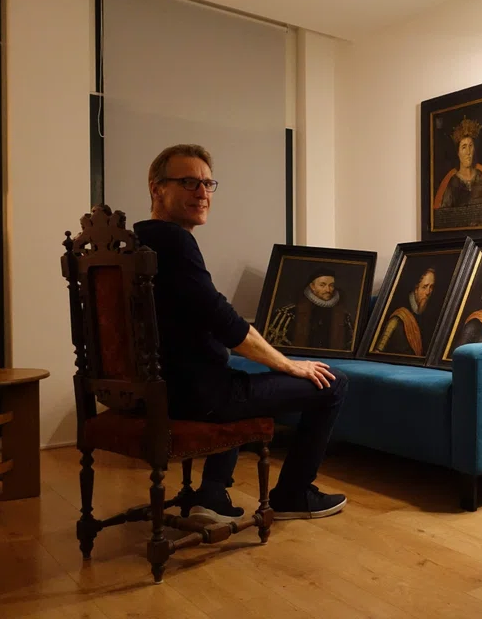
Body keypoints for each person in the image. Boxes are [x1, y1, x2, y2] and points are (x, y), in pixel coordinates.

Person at [133, 144, 348, 523]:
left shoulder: (138, 244)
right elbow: (227, 323)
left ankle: (212, 495)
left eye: (207, 183)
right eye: (188, 182)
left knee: (235, 372)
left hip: (160, 389)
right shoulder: (175, 243)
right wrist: (291, 365)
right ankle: (294, 495)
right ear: (156, 189)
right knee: (332, 383)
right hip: (196, 397)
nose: (202, 193)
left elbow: (199, 317)